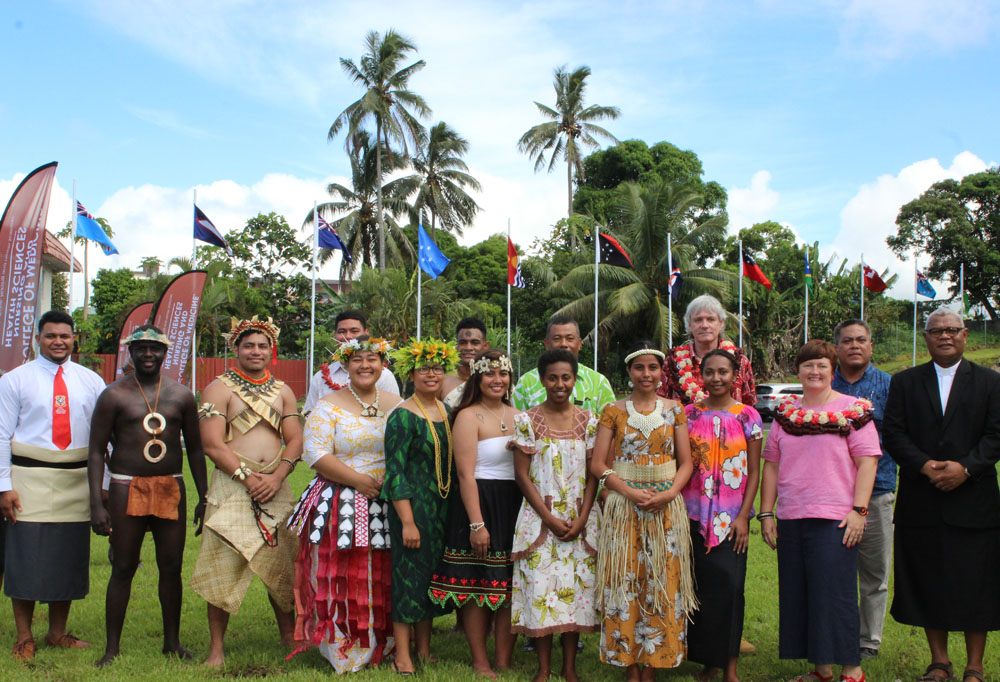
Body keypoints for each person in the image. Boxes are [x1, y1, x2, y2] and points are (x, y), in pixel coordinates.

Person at [884, 308, 1000, 682]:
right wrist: (925, 466)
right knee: (927, 580)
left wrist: (965, 468)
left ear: (965, 335)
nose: (945, 336)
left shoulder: (989, 382)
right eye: (937, 331)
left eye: (952, 330)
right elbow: (894, 434)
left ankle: (974, 666)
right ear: (926, 337)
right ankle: (939, 662)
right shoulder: (905, 383)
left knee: (975, 584)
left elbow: (996, 435)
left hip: (975, 500)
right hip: (922, 498)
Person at [87, 325, 209, 667]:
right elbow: (96, 451)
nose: (148, 354)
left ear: (165, 352)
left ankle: (172, 643)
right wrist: (97, 503)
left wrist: (203, 496)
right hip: (127, 486)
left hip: (170, 486)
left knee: (171, 567)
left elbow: (196, 451)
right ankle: (112, 648)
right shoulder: (113, 395)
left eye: (154, 348)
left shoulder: (182, 395)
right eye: (140, 348)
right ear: (131, 351)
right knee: (123, 566)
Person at [760, 339, 880, 682]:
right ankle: (822, 668)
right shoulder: (785, 413)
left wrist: (859, 511)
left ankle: (852, 670)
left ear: (833, 370)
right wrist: (767, 513)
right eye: (808, 365)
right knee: (802, 593)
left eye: (822, 365)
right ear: (797, 370)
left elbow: (868, 463)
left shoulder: (853, 409)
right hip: (792, 515)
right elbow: (771, 464)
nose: (814, 371)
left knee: (835, 594)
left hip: (836, 517)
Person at [191, 317, 303, 667]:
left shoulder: (283, 390)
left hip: (275, 487)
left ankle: (289, 637)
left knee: (284, 565)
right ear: (235, 349)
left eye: (262, 345)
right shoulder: (218, 389)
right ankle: (216, 650)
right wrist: (247, 477)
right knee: (223, 565)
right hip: (232, 486)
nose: (256, 351)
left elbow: (296, 439)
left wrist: (277, 475)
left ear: (272, 351)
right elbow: (211, 444)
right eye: (249, 345)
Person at [287, 335, 400, 671]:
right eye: (357, 360)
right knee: (342, 574)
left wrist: (386, 485)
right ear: (346, 365)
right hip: (340, 500)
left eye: (372, 359)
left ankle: (387, 644)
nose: (365, 366)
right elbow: (317, 453)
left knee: (382, 572)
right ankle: (344, 649)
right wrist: (361, 482)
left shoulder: (397, 403)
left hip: (388, 500)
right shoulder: (328, 404)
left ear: (383, 364)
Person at [0, 311, 106, 662]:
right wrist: (3, 486)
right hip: (27, 479)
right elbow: (1, 436)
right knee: (24, 558)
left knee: (68, 558)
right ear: (37, 338)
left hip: (77, 479)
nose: (58, 341)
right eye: (50, 336)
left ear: (75, 339)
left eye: (64, 335)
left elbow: (106, 439)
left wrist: (102, 485)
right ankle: (24, 637)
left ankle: (58, 632)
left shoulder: (92, 382)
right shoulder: (14, 380)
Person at [591, 340, 695, 681]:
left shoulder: (674, 410)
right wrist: (628, 491)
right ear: (629, 372)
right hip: (624, 507)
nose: (646, 374)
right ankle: (629, 664)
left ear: (661, 371)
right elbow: (598, 465)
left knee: (662, 581)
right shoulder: (613, 411)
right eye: (639, 368)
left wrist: (670, 494)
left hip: (666, 509)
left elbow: (686, 463)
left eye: (652, 367)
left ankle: (654, 664)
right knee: (625, 580)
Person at [428, 349, 523, 679]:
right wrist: (477, 523)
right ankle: (480, 660)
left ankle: (503, 659)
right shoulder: (468, 416)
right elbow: (465, 474)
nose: (497, 380)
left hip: (513, 504)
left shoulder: (518, 414)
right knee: (477, 585)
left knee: (509, 585)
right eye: (490, 374)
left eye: (503, 374)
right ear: (478, 379)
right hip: (478, 502)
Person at [510, 349, 599, 682]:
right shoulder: (526, 420)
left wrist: (584, 515)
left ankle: (570, 668)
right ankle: (544, 669)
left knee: (576, 594)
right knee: (541, 590)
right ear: (542, 379)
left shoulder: (590, 421)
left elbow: (594, 474)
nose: (560, 384)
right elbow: (522, 475)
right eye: (552, 377)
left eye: (566, 377)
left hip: (580, 519)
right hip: (539, 520)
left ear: (575, 379)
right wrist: (547, 517)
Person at [682, 349, 763, 682]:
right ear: (701, 375)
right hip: (691, 515)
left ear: (735, 376)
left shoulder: (748, 416)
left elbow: (755, 472)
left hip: (731, 521)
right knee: (698, 588)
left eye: (723, 372)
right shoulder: (687, 414)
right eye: (710, 372)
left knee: (730, 589)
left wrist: (744, 516)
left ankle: (730, 668)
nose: (717, 378)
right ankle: (707, 662)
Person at [383, 339, 460, 675]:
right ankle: (402, 654)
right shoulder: (402, 416)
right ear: (410, 373)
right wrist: (408, 522)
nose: (431, 374)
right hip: (412, 509)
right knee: (407, 578)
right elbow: (395, 471)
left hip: (440, 508)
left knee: (430, 579)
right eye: (424, 368)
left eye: (438, 368)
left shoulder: (445, 410)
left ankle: (424, 650)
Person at [830, 319, 894, 661]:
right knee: (835, 571)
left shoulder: (887, 385)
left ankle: (869, 640)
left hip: (878, 490)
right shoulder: (825, 383)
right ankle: (837, 635)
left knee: (874, 572)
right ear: (837, 347)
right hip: (833, 492)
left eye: (861, 340)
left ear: (871, 345)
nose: (854, 346)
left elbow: (897, 436)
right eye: (847, 341)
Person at [659, 294, 755, 407]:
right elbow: (661, 405)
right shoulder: (671, 364)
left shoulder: (739, 361)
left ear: (721, 323)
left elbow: (749, 405)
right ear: (689, 325)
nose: (704, 325)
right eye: (698, 320)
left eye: (711, 319)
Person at [511, 315, 615, 416]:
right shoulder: (526, 383)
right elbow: (515, 423)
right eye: (557, 338)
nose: (563, 344)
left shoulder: (599, 383)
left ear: (579, 344)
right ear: (546, 343)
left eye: (570, 338)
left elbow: (610, 425)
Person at [303, 310, 399, 415]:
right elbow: (310, 415)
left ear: (366, 334)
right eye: (342, 331)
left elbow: (394, 417)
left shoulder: (384, 376)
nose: (348, 336)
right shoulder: (321, 377)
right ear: (335, 336)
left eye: (354, 331)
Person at [440, 317, 489, 409]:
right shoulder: (442, 383)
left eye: (475, 342)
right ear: (456, 346)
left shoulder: (496, 383)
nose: (468, 348)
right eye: (463, 343)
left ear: (485, 346)